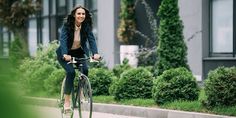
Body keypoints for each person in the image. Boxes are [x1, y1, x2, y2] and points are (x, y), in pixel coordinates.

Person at [56, 5, 101, 112]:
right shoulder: (67, 26)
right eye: (79, 13)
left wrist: (95, 53)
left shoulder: (86, 26)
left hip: (78, 52)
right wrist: (65, 54)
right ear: (74, 15)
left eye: (83, 14)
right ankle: (67, 102)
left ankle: (81, 92)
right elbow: (63, 40)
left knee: (85, 69)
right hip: (65, 54)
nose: (81, 16)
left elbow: (91, 40)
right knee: (71, 72)